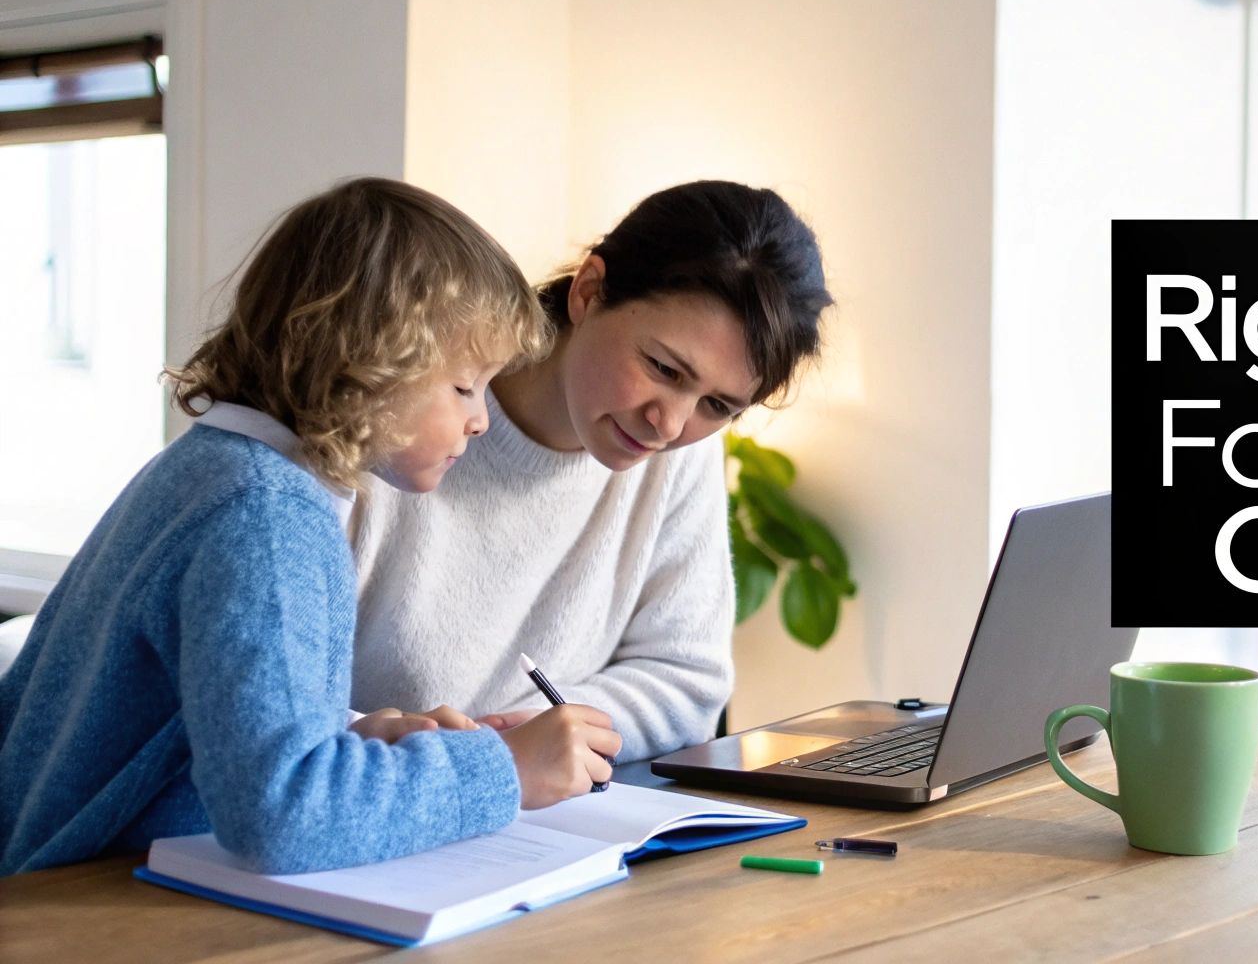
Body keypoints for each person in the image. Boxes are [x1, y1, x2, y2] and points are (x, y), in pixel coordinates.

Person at [0, 178, 620, 876]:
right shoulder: (267, 517)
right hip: (75, 910)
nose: (480, 418)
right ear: (370, 361)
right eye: (462, 386)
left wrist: (357, 740)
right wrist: (502, 768)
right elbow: (282, 813)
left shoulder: (212, 470)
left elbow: (216, 742)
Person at [350, 181, 833, 761]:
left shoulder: (679, 454)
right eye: (664, 368)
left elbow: (686, 680)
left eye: (718, 406)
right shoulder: (392, 407)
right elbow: (265, 709)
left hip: (545, 812)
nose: (670, 424)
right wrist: (445, 751)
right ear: (589, 290)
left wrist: (535, 736)